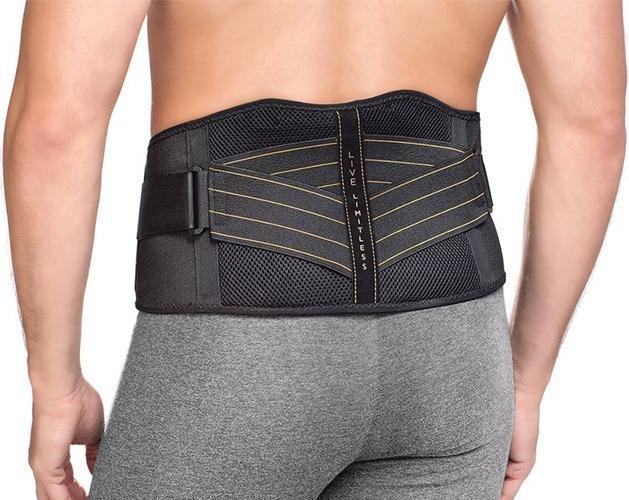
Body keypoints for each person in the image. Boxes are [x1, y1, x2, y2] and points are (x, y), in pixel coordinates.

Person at [3, 1, 625, 499]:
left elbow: (55, 126)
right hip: (452, 357)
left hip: (234, 355)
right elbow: (593, 124)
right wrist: (524, 382)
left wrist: (56, 389)